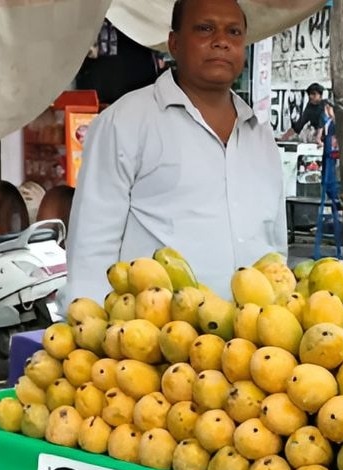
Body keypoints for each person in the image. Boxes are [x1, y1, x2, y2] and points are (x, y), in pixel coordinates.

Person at [59, 0, 287, 308]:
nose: (222, 41)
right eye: (205, 28)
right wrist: (90, 331)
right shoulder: (126, 121)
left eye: (234, 32)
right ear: (174, 43)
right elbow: (91, 245)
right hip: (152, 341)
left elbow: (275, 246)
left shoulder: (260, 135)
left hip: (250, 344)